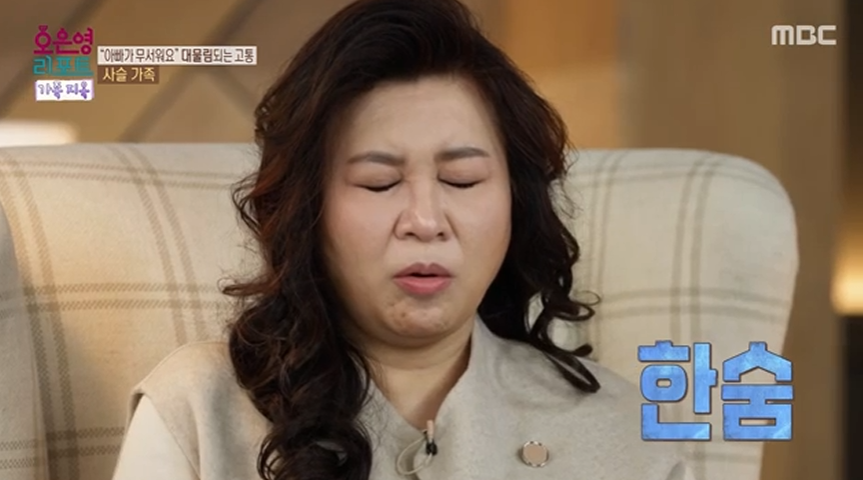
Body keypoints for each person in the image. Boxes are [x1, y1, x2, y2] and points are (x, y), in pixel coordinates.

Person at [112, 0, 693, 479]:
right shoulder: (200, 408)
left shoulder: (621, 430)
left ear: (517, 201)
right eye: (380, 182)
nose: (425, 219)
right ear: (306, 210)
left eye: (461, 179)